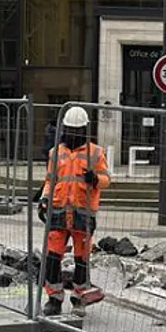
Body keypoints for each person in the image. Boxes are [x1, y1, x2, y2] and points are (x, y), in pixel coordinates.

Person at [37, 107, 111, 316]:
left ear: (85, 130)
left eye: (77, 130)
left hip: (83, 213)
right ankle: (54, 298)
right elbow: (50, 180)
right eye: (71, 129)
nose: (73, 134)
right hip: (59, 211)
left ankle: (80, 297)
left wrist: (95, 179)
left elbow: (107, 179)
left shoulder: (95, 153)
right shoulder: (55, 153)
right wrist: (44, 199)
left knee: (81, 259)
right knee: (53, 257)